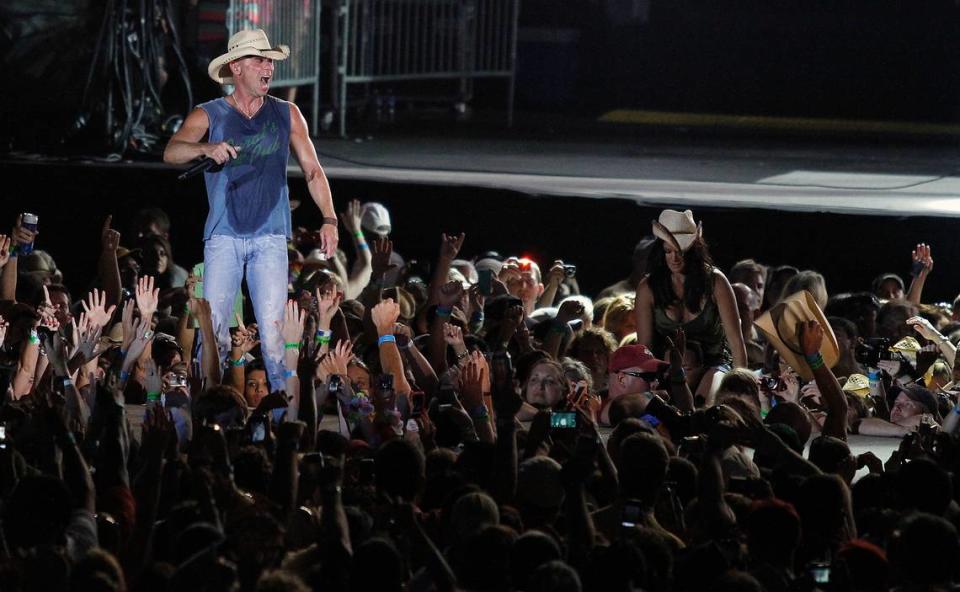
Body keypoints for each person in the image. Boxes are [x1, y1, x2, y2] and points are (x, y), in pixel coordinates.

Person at [163, 29, 338, 390]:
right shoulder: (209, 113)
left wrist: (330, 218)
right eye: (259, 59)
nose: (268, 66)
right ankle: (208, 412)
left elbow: (313, 170)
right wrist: (206, 149)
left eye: (270, 60)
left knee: (274, 337)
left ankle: (281, 420)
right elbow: (172, 152)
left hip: (271, 237)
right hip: (223, 237)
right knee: (215, 335)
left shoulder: (287, 113)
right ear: (236, 68)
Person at [634, 209, 747, 401]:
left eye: (681, 251)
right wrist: (648, 383)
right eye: (668, 251)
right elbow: (645, 348)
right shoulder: (648, 287)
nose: (674, 258)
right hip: (668, 367)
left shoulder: (715, 282)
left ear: (694, 250)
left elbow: (736, 343)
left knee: (706, 401)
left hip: (713, 365)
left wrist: (743, 391)